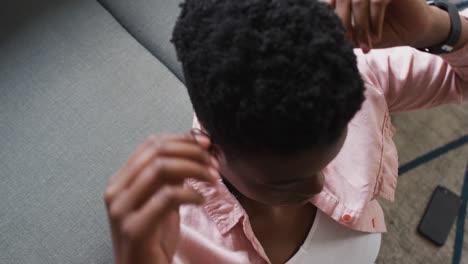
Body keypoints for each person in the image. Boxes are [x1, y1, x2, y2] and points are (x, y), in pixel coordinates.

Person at [103, 0, 468, 263]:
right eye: (284, 184)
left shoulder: (356, 80)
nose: (318, 186)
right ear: (209, 148)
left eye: (333, 154)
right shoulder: (179, 241)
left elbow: (459, 80)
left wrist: (437, 27)